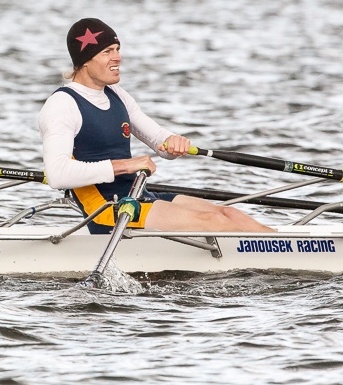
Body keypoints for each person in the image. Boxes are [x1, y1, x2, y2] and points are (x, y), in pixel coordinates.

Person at [38, 18, 275, 234]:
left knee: (229, 214)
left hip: (137, 195)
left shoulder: (116, 94)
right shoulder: (62, 104)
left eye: (118, 50)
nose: (118, 57)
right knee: (214, 224)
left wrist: (173, 142)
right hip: (107, 210)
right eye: (107, 51)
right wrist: (126, 166)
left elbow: (159, 140)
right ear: (85, 61)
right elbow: (58, 175)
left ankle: (287, 251)